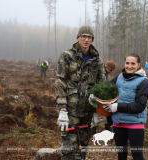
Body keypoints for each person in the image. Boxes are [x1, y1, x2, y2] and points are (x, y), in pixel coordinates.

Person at [55, 25, 104, 160]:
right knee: (69, 150)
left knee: (82, 150)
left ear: (92, 40)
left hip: (87, 112)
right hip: (70, 111)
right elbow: (60, 81)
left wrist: (97, 112)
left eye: (89, 37)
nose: (86, 40)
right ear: (78, 38)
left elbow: (101, 86)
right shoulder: (67, 56)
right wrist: (62, 109)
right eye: (83, 36)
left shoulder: (97, 61)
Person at [103, 53, 148, 160]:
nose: (129, 66)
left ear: (139, 65)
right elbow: (105, 88)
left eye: (133, 63)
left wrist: (117, 107)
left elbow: (140, 106)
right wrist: (95, 96)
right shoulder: (120, 77)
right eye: (127, 63)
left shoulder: (144, 82)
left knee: (137, 156)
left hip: (135, 124)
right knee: (121, 156)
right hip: (118, 123)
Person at [91, 60, 115, 134]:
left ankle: (107, 128)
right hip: (97, 96)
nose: (111, 71)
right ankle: (92, 130)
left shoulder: (106, 74)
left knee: (106, 113)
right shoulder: (99, 72)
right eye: (110, 70)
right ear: (106, 67)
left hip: (103, 96)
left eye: (112, 70)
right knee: (96, 114)